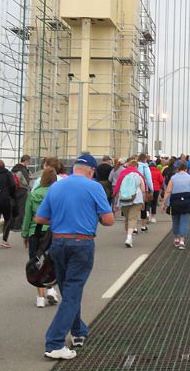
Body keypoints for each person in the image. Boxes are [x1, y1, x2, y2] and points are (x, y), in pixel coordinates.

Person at [35, 153, 114, 360]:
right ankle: (54, 342)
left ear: (74, 168)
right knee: (73, 291)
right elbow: (109, 220)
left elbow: (40, 217)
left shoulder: (56, 186)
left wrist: (61, 218)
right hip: (82, 243)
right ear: (91, 171)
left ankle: (78, 331)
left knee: (68, 290)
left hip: (58, 243)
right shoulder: (94, 187)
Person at [21, 167, 59, 307]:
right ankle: (51, 289)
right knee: (51, 262)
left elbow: (28, 216)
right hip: (53, 231)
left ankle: (40, 297)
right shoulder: (57, 194)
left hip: (35, 232)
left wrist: (25, 234)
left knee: (36, 262)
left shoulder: (34, 194)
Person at [161, 160, 190, 250]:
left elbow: (168, 191)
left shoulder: (173, 178)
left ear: (178, 169)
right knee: (185, 220)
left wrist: (164, 203)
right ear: (186, 169)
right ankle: (182, 241)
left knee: (176, 220)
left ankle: (176, 238)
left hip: (175, 201)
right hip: (187, 201)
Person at [112, 160, 145, 248]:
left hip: (124, 200)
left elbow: (117, 188)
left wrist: (116, 203)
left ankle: (128, 235)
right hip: (136, 199)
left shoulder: (123, 174)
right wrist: (143, 202)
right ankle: (129, 237)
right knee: (132, 218)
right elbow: (143, 190)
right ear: (136, 167)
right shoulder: (139, 175)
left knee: (127, 218)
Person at [10, 155, 32, 232]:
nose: (28, 163)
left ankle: (11, 226)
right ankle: (17, 226)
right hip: (22, 190)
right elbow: (25, 182)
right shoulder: (23, 169)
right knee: (21, 208)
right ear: (26, 161)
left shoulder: (14, 168)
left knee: (14, 207)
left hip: (13, 190)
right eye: (28, 162)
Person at [136, 154, 154, 230]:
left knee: (135, 208)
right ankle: (143, 226)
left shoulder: (135, 166)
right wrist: (151, 189)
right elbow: (149, 180)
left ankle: (134, 227)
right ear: (145, 159)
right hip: (143, 189)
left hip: (135, 189)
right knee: (143, 207)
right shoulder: (145, 167)